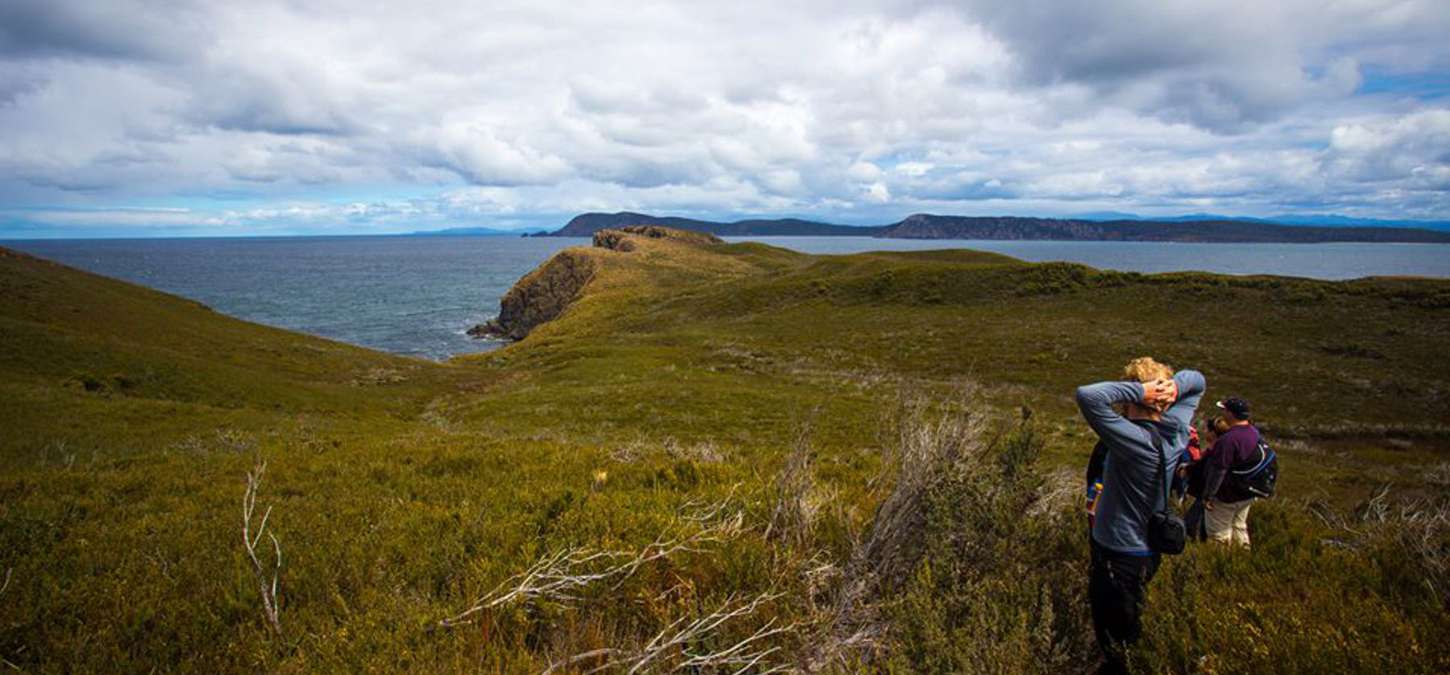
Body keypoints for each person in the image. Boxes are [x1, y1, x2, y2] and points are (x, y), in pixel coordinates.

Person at [1076, 357, 1206, 674]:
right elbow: (1198, 381)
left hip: (1117, 558)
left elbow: (1087, 395)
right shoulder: (1175, 432)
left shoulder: (1131, 440)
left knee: (1117, 643)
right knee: (1132, 623)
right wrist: (1174, 388)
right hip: (1145, 551)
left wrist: (1138, 391)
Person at [1199, 397, 1258, 547]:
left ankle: (1220, 564)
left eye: (1224, 410)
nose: (1223, 413)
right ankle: (1242, 559)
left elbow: (1219, 470)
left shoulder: (1229, 440)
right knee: (1239, 527)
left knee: (1219, 534)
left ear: (1231, 414)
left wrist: (1208, 495)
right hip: (1246, 492)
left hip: (1226, 495)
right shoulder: (1253, 433)